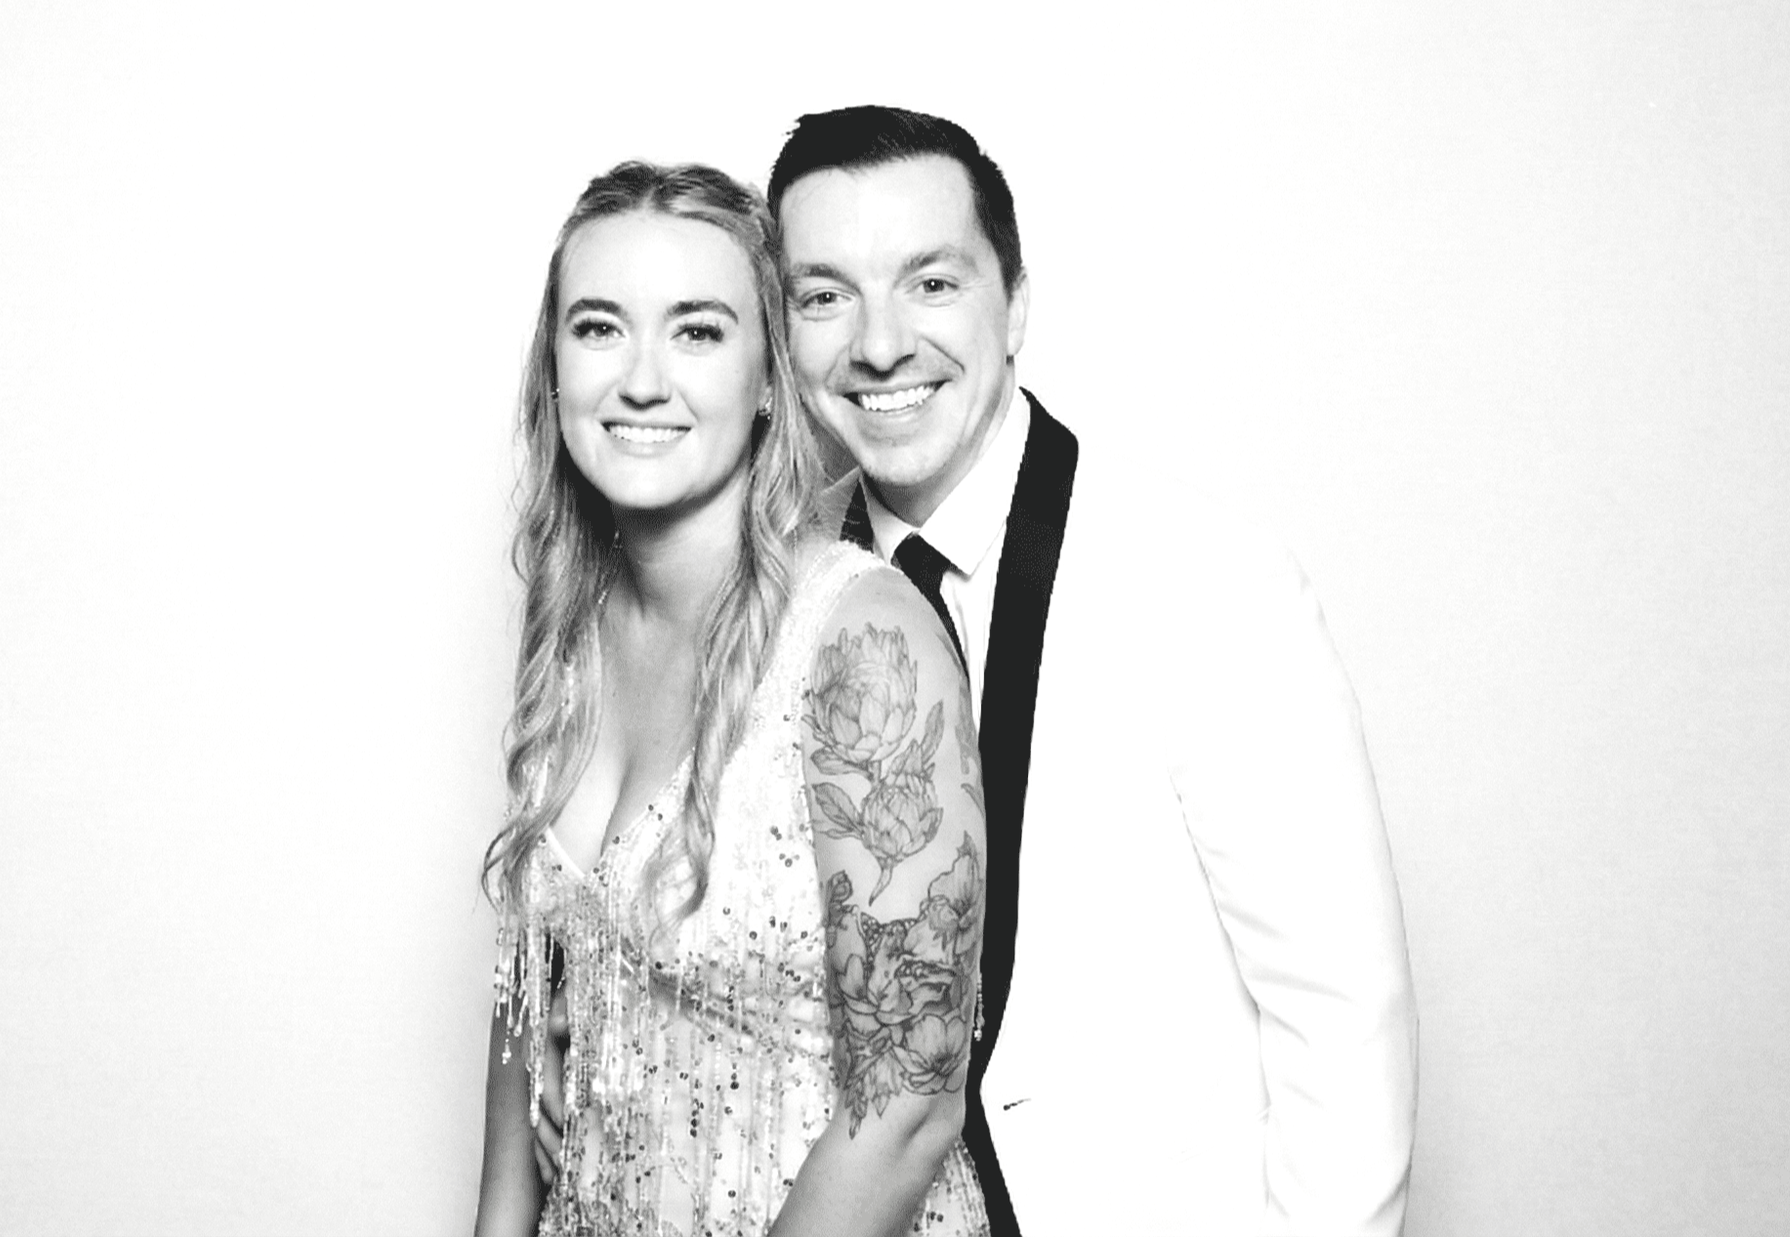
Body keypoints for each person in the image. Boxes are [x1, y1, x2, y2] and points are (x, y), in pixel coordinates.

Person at [767, 106, 1421, 1234]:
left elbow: (1342, 1028)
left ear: (1015, 305)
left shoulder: (1206, 578)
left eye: (931, 283)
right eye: (825, 295)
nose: (879, 344)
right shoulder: (775, 596)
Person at [474, 161, 992, 1236]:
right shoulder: (567, 626)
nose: (643, 380)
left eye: (698, 331)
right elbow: (528, 995)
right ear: (553, 367)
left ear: (767, 377)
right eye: (600, 328)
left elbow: (907, 1110)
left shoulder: (862, 638)